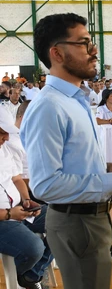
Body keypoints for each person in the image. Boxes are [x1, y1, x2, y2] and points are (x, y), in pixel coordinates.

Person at [20, 13, 112, 289]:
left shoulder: (74, 99)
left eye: (91, 42)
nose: (94, 50)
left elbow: (75, 157)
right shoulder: (49, 106)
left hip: (88, 218)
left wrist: (105, 168)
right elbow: (46, 184)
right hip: (76, 222)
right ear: (57, 53)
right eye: (83, 43)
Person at [0, 105, 53, 289]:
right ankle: (27, 274)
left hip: (18, 209)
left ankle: (32, 274)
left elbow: (16, 178)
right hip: (2, 220)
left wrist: (26, 199)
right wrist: (9, 214)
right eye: (2, 133)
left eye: (7, 133)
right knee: (34, 247)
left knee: (66, 221)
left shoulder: (4, 150)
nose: (6, 138)